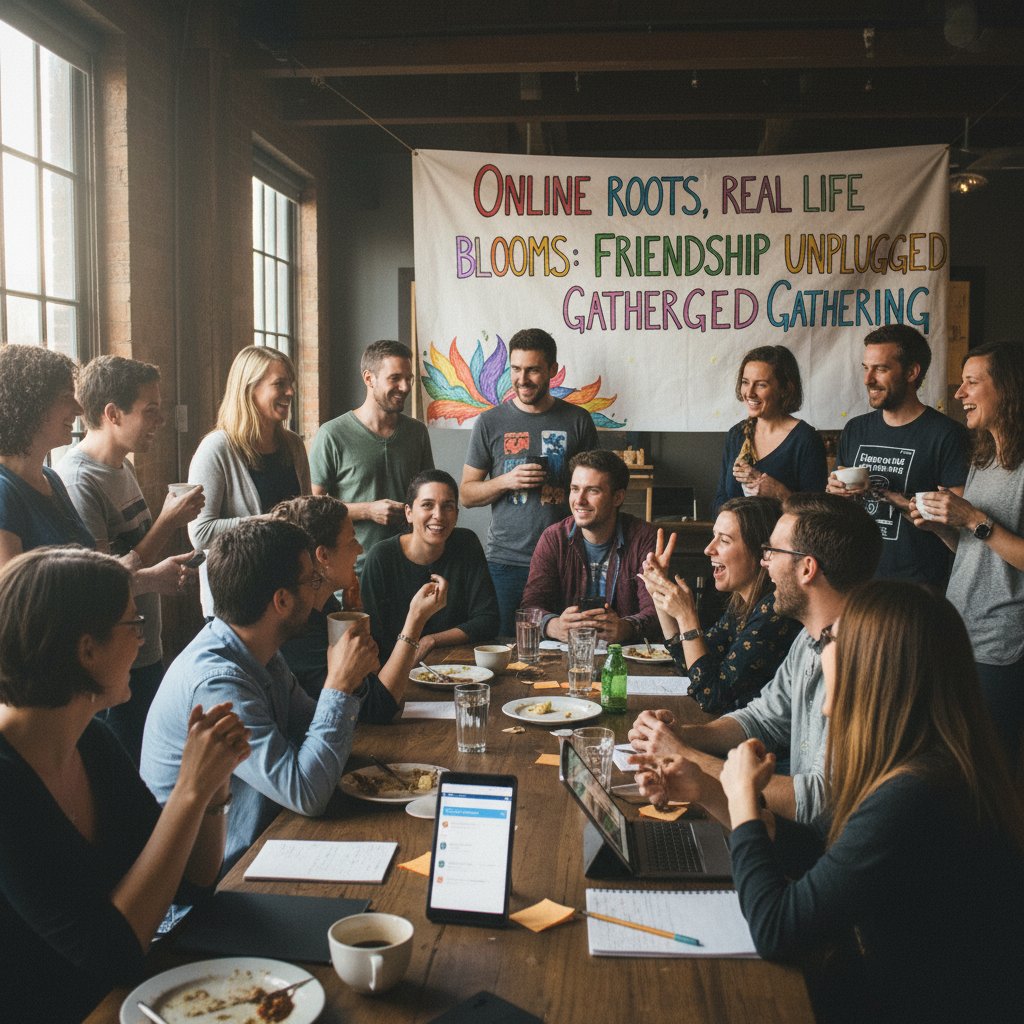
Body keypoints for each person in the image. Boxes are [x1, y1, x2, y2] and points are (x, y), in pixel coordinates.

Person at [639, 582, 1024, 1023]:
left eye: (832, 640)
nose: (818, 652)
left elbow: (778, 930)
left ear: (875, 667)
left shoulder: (916, 794)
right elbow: (822, 859)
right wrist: (707, 791)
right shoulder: (919, 765)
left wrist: (744, 800)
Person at [0, 547, 249, 1024]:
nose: (141, 639)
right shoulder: (8, 785)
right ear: (86, 648)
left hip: (122, 997)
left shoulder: (90, 739)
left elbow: (190, 884)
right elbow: (113, 951)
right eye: (132, 624)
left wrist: (214, 787)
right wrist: (189, 790)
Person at [629, 492, 881, 823]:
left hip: (818, 848)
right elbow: (760, 719)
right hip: (790, 830)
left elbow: (819, 802)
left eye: (772, 552)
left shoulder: (869, 657)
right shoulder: (808, 639)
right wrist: (679, 734)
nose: (765, 562)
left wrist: (686, 755)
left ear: (807, 568)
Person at [141, 520, 378, 871]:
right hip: (218, 885)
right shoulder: (218, 683)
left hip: (268, 846)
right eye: (313, 580)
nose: (318, 590)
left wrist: (347, 683)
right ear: (281, 600)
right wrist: (339, 685)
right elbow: (307, 792)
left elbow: (313, 732)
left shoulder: (257, 649)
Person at [57, 355, 207, 763]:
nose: (160, 421)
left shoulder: (120, 466)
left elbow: (132, 558)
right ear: (112, 414)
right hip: (111, 658)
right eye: (150, 411)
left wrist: (166, 564)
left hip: (144, 649)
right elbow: (103, 583)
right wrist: (167, 522)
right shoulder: (78, 479)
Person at [911, 341, 1024, 770]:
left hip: (1005, 642)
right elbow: (978, 550)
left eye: (972, 382)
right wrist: (943, 526)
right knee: (955, 763)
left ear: (1009, 390)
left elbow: (986, 531)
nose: (959, 393)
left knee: (991, 769)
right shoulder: (985, 457)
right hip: (961, 631)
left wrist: (973, 517)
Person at [461, 328, 598, 635]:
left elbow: (598, 487)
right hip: (506, 561)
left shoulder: (578, 420)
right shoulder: (489, 422)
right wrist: (505, 481)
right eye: (516, 369)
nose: (522, 379)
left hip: (568, 559)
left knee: (569, 647)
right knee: (510, 649)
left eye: (533, 370)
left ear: (552, 370)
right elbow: (466, 494)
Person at [272, 493, 449, 709]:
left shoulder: (326, 606)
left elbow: (367, 684)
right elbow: (378, 706)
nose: (360, 549)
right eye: (351, 540)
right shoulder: (298, 629)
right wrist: (415, 619)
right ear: (323, 556)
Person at [826, 324, 968, 587]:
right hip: (857, 580)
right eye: (866, 368)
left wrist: (900, 502)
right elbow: (840, 511)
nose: (868, 379)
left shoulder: (947, 435)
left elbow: (962, 531)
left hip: (917, 589)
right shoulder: (856, 429)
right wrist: (834, 493)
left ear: (912, 372)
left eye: (880, 369)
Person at [640, 496, 798, 713]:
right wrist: (659, 592)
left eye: (724, 540)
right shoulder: (741, 604)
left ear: (760, 551)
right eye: (713, 537)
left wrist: (687, 616)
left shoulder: (773, 611)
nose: (708, 549)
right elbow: (692, 668)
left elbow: (712, 696)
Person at [188, 346, 310, 614]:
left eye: (290, 384)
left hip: (289, 595)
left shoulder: (293, 445)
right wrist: (268, 523)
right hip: (239, 604)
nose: (290, 392)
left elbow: (306, 514)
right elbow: (200, 534)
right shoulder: (216, 448)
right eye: (280, 384)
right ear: (248, 389)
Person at [310, 340, 433, 576]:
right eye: (395, 378)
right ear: (369, 378)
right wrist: (368, 510)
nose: (405, 387)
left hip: (408, 566)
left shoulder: (417, 432)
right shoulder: (332, 434)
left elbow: (428, 496)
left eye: (409, 378)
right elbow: (312, 508)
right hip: (352, 572)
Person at [360, 470, 500, 662]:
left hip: (459, 666)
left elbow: (488, 620)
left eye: (448, 507)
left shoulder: (466, 543)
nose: (438, 515)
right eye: (427, 505)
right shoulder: (381, 557)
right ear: (408, 513)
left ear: (457, 514)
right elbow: (374, 635)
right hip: (396, 669)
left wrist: (431, 640)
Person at [521, 449, 659, 644]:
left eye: (593, 490)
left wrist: (626, 628)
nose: (579, 500)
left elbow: (658, 610)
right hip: (567, 655)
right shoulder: (554, 538)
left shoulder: (643, 538)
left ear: (618, 497)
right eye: (575, 489)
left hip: (626, 657)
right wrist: (554, 626)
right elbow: (530, 606)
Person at [0, 344, 93, 567]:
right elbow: (13, 598)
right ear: (31, 404)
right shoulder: (3, 492)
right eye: (66, 397)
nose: (79, 409)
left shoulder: (51, 478)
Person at [713, 345, 827, 514]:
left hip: (782, 541)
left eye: (761, 385)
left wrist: (780, 493)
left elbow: (816, 515)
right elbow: (720, 499)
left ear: (785, 389)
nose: (749, 393)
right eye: (745, 382)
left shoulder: (805, 439)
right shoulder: (736, 435)